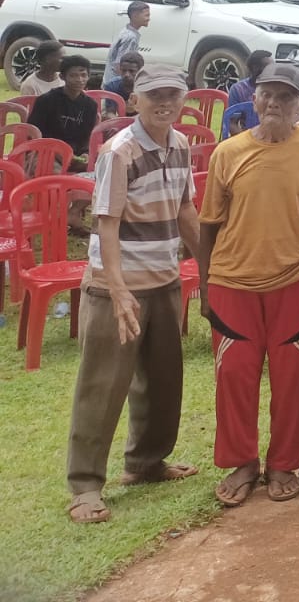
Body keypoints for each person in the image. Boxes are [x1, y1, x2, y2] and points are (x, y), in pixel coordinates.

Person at [197, 63, 299, 507]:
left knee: (292, 375)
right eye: (267, 94)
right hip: (232, 281)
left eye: (286, 96)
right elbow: (208, 227)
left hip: (298, 278)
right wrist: (205, 289)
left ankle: (282, 462)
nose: (275, 103)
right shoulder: (228, 152)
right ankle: (243, 463)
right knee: (235, 375)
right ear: (253, 98)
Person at [65, 66, 199, 524]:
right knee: (103, 387)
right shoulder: (119, 152)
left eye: (173, 95)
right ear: (136, 100)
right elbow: (106, 223)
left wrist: (211, 266)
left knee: (163, 380)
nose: (165, 102)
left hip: (163, 279)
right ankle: (84, 486)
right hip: (115, 287)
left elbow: (185, 210)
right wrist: (119, 291)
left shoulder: (180, 145)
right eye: (154, 95)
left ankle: (146, 463)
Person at [32, 53, 97, 158]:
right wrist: (57, 152)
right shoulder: (46, 100)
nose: (79, 80)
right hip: (47, 153)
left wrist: (85, 153)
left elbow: (86, 137)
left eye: (83, 75)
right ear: (62, 77)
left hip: (75, 155)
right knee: (54, 169)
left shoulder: (90, 105)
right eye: (73, 75)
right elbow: (34, 134)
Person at [102, 3, 150, 95]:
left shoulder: (126, 31)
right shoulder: (130, 37)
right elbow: (119, 65)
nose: (149, 18)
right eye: (146, 15)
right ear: (135, 16)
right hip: (116, 88)